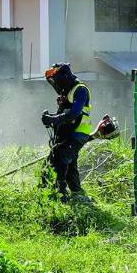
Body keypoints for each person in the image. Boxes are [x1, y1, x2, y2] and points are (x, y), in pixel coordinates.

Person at [40, 63, 92, 200]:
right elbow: (64, 114)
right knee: (69, 162)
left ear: (64, 76)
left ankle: (60, 193)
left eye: (56, 80)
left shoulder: (80, 89)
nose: (56, 84)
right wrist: (50, 118)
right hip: (69, 132)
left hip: (79, 132)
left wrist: (54, 119)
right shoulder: (67, 91)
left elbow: (74, 113)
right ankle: (77, 194)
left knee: (61, 156)